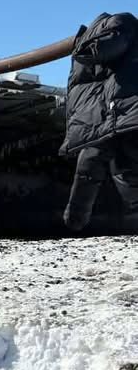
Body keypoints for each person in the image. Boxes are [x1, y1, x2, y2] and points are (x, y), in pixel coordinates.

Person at [61, 12, 138, 232]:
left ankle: (75, 218)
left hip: (99, 117)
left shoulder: (87, 39)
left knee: (89, 167)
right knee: (126, 170)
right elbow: (110, 44)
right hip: (125, 112)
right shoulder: (125, 22)